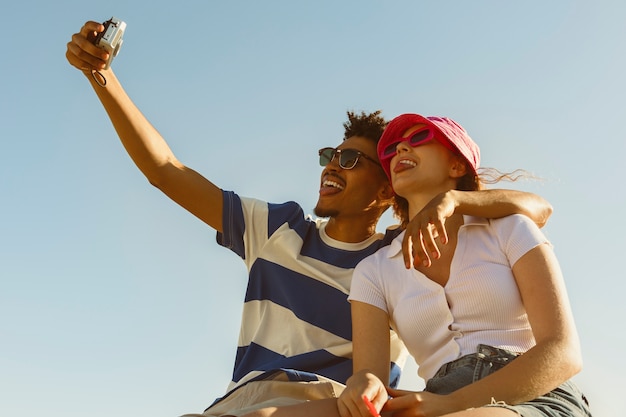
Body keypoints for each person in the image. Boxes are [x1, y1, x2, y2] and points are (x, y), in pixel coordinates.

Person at [65, 21, 553, 417]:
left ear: (387, 190)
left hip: (335, 403)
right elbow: (165, 171)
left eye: (349, 160)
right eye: (329, 155)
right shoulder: (278, 229)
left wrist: (454, 202)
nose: (330, 168)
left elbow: (533, 208)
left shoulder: (403, 254)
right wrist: (102, 77)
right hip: (250, 398)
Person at [338, 114, 592, 417]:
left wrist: (454, 405)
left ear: (457, 166)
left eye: (418, 139)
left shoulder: (509, 229)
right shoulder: (374, 270)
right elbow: (371, 376)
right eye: (394, 148)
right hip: (434, 402)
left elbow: (563, 354)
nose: (401, 150)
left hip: (532, 395)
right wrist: (362, 383)